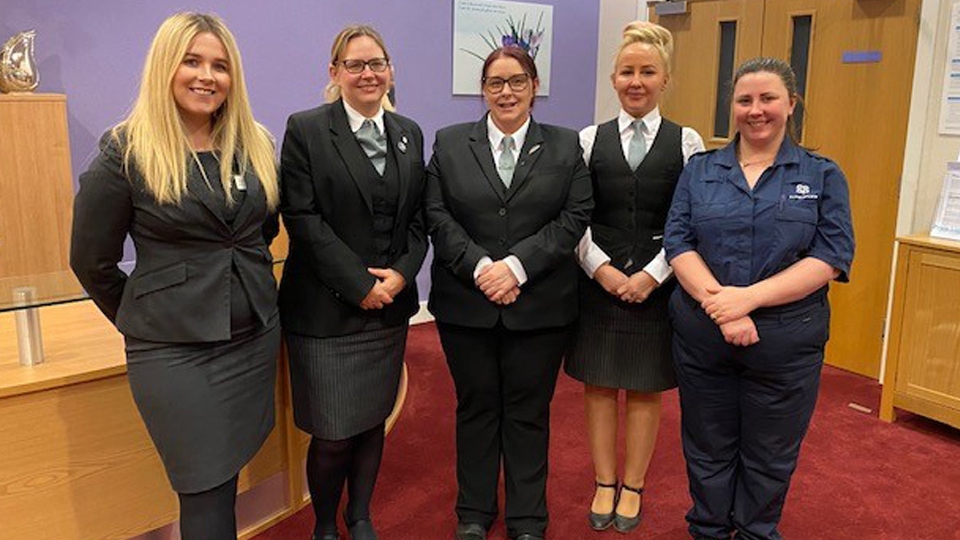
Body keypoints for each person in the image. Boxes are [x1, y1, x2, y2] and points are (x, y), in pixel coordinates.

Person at [70, 12, 281, 540]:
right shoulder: (127, 151)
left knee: (224, 477)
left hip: (253, 339)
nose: (206, 76)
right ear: (165, 66)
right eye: (192, 61)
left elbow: (261, 229)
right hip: (174, 352)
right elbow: (90, 260)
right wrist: (142, 320)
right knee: (203, 487)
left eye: (219, 65)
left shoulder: (253, 143)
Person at [664, 57, 855, 540]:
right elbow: (679, 243)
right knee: (707, 448)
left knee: (770, 455)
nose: (756, 110)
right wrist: (723, 310)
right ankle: (707, 529)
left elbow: (830, 257)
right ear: (733, 107)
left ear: (791, 104)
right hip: (704, 338)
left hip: (785, 346)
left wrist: (746, 300)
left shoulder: (822, 174)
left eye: (768, 98)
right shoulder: (701, 170)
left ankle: (754, 532)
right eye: (745, 100)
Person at [425, 46, 593, 540]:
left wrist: (517, 267)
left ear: (534, 86)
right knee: (475, 407)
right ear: (483, 90)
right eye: (495, 83)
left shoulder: (565, 146)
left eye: (517, 81)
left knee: (528, 411)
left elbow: (574, 216)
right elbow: (436, 213)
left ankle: (526, 518)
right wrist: (481, 266)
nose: (506, 92)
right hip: (466, 304)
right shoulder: (451, 142)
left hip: (539, 306)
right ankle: (473, 513)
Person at [278, 24, 427, 540]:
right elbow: (302, 217)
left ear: (390, 70)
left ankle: (359, 515)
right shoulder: (307, 129)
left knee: (371, 422)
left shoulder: (409, 131)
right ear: (335, 72)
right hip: (325, 310)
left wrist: (402, 276)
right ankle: (323, 524)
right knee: (333, 433)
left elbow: (418, 220)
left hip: (388, 310)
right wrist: (358, 284)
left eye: (377, 64)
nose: (368, 74)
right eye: (355, 65)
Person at [565, 20, 704, 534]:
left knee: (646, 389)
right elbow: (573, 215)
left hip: (659, 285)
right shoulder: (587, 140)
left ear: (665, 78)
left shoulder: (686, 141)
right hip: (596, 280)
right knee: (600, 385)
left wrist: (651, 274)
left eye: (648, 71)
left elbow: (687, 220)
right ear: (613, 78)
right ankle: (604, 481)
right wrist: (599, 269)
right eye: (627, 71)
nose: (636, 81)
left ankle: (634, 485)